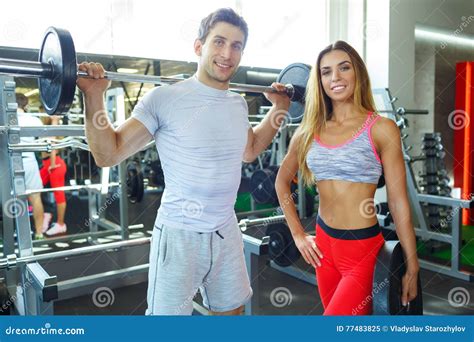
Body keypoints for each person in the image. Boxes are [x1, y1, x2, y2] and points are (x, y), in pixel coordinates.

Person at [76, 8, 290, 315]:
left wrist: (279, 109)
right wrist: (94, 96)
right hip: (179, 234)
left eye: (236, 45)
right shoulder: (164, 98)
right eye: (219, 42)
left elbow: (250, 149)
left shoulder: (237, 104)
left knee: (232, 314)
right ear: (198, 46)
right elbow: (108, 153)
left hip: (226, 228)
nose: (227, 53)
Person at [275, 41, 420, 315]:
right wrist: (297, 234)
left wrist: (412, 264)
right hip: (323, 246)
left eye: (344, 68)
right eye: (326, 72)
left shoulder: (381, 129)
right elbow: (281, 181)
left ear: (358, 74)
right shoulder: (308, 130)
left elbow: (399, 201)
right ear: (319, 81)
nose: (335, 78)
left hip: (361, 251)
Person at [16, 93, 45, 240]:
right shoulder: (33, 119)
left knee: (10, 199)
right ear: (25, 105)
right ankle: (39, 233)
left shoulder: (4, 120)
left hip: (10, 163)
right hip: (29, 161)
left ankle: (13, 234)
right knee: (35, 197)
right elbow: (44, 142)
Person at [39, 113, 68, 236]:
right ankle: (47, 213)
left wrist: (51, 164)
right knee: (33, 189)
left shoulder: (54, 124)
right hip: (47, 164)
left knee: (59, 195)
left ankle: (61, 224)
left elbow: (52, 145)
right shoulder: (46, 127)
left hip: (54, 164)